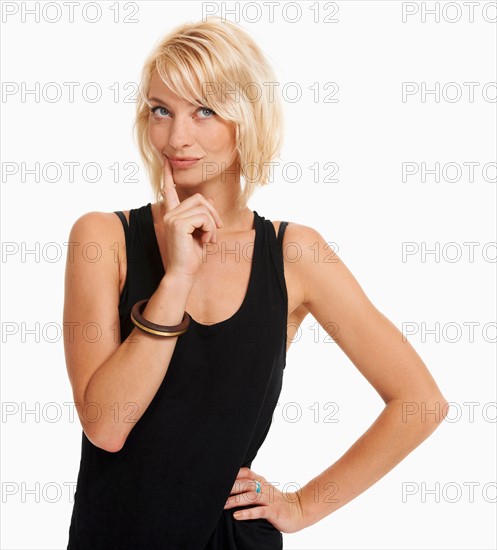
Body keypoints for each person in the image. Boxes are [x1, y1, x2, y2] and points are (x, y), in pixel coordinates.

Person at [63, 17, 448, 550]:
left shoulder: (295, 254)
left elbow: (419, 402)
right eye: (161, 110)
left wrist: (304, 504)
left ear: (246, 119)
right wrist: (177, 277)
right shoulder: (103, 238)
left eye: (204, 111)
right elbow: (106, 426)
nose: (176, 138)